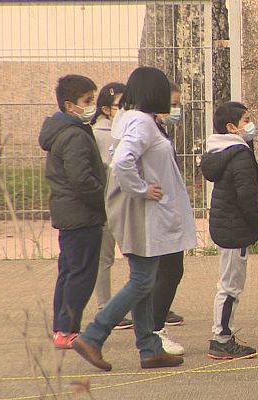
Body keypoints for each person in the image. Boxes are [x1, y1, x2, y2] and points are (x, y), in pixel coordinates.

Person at [72, 67, 197, 371]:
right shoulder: (141, 123)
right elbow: (123, 161)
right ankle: (93, 335)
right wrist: (142, 190)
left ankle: (149, 348)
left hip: (143, 213)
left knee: (144, 279)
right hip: (143, 214)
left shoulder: (137, 121)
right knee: (143, 280)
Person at [39, 75, 105, 350]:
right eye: (87, 101)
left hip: (70, 214)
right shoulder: (75, 135)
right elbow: (81, 179)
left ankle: (61, 329)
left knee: (68, 272)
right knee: (81, 274)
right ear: (70, 105)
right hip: (81, 215)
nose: (92, 106)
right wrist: (102, 199)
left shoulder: (63, 132)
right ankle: (68, 329)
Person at [200, 101, 258, 360]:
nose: (251, 124)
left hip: (225, 225)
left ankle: (223, 334)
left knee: (228, 284)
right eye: (246, 120)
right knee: (230, 287)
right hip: (235, 228)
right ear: (231, 127)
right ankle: (222, 338)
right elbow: (247, 196)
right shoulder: (239, 154)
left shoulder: (221, 151)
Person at [91, 82, 133, 330]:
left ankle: (147, 304)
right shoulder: (98, 134)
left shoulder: (128, 130)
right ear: (107, 109)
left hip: (127, 204)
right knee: (104, 259)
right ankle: (104, 307)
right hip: (107, 206)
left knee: (139, 258)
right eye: (121, 105)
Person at [151, 80, 186, 355]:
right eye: (172, 104)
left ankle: (152, 328)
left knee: (164, 272)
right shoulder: (147, 131)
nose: (176, 110)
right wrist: (143, 189)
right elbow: (124, 165)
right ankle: (154, 331)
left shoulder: (158, 131)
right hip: (157, 212)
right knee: (166, 272)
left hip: (166, 210)